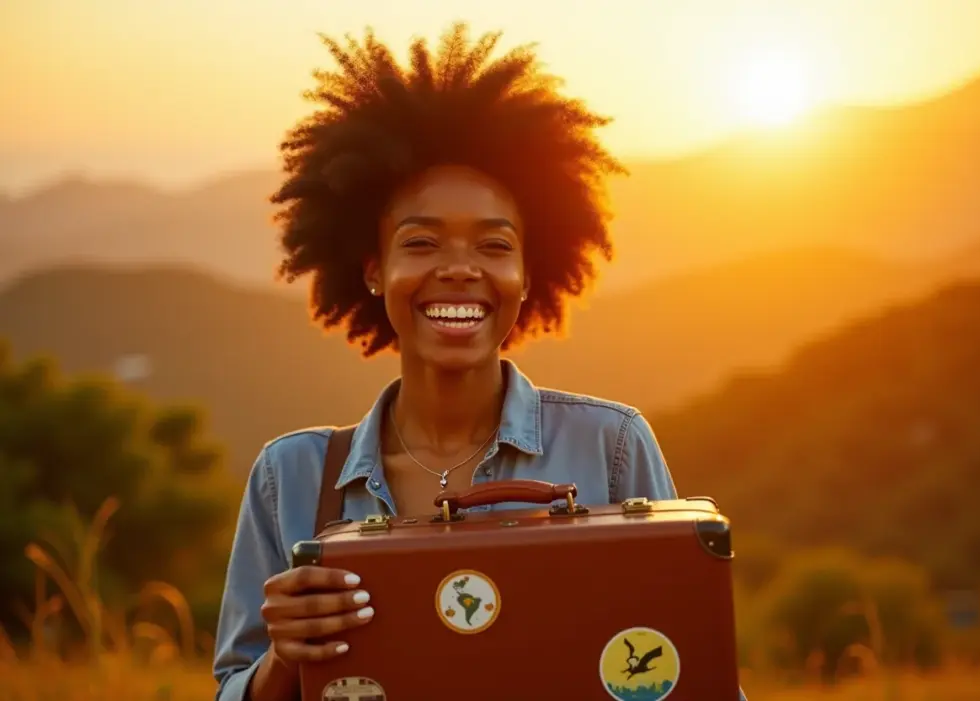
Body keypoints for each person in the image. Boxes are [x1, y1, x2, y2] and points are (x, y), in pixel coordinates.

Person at [212, 22, 746, 701]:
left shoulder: (612, 448)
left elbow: (693, 673)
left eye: (495, 246)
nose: (459, 270)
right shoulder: (288, 479)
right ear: (374, 269)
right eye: (422, 242)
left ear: (530, 273)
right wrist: (285, 656)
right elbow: (236, 686)